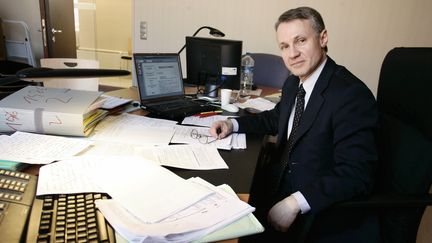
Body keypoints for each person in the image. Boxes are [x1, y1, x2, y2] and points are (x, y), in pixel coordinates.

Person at [210, 6, 380, 243]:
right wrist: (233, 124)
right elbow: (275, 118)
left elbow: (357, 173)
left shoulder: (351, 95)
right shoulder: (294, 83)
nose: (292, 54)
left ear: (323, 38)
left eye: (300, 41)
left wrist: (296, 202)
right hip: (279, 183)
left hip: (317, 211)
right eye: (284, 46)